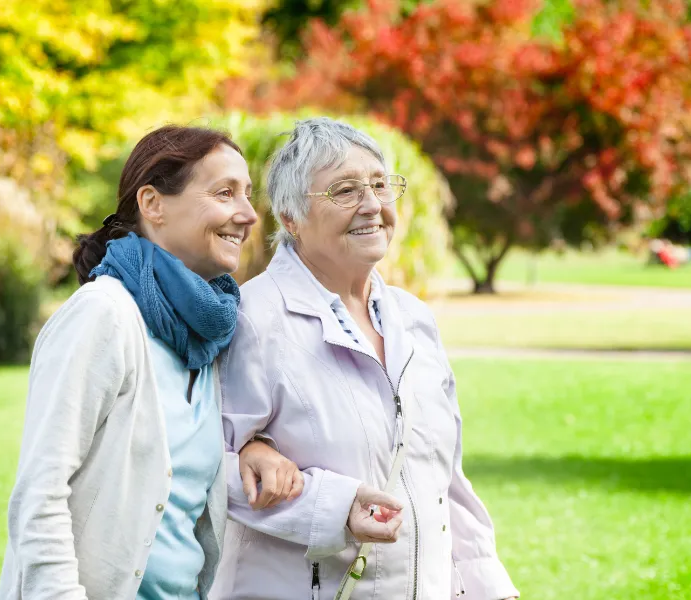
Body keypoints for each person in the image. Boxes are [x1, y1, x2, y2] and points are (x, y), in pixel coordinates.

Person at [211, 117, 519, 600]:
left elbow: (444, 482)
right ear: (291, 218)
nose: (373, 205)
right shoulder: (254, 320)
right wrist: (334, 507)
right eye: (345, 190)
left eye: (380, 184)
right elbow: (208, 469)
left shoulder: (413, 320)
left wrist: (488, 588)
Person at [0, 125, 302, 600]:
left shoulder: (210, 333)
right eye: (225, 193)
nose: (246, 214)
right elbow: (40, 495)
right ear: (153, 204)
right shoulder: (105, 316)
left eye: (247, 195)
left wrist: (253, 446)